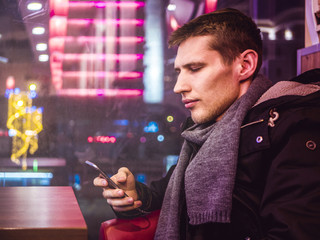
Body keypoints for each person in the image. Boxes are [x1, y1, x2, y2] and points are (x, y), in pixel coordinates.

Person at [94, 8, 320, 239]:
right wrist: (133, 197)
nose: (179, 86)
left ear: (245, 65)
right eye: (179, 71)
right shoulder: (208, 134)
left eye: (195, 68)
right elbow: (165, 198)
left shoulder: (293, 128)